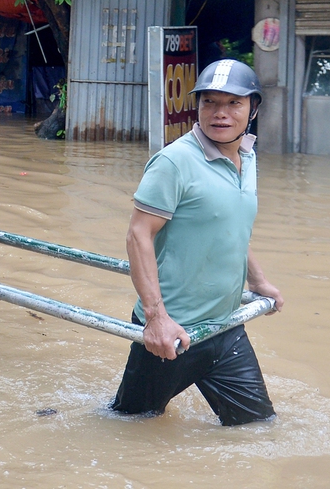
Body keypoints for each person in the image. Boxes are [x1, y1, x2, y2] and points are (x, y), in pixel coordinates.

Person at [111, 59, 285, 426]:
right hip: (175, 334)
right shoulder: (174, 162)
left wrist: (257, 281)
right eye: (210, 103)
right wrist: (157, 319)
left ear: (254, 109)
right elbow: (138, 234)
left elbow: (230, 227)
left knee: (259, 430)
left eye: (233, 103)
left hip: (225, 327)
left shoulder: (248, 157)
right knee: (130, 427)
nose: (220, 114)